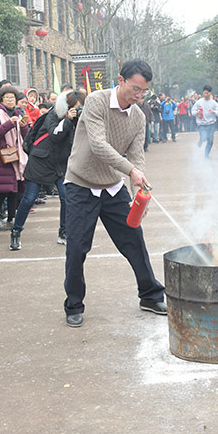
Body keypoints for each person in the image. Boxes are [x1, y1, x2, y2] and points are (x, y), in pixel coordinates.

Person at [62, 59, 166, 328]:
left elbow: (137, 157)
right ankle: (74, 304)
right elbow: (98, 145)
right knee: (76, 247)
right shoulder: (97, 101)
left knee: (134, 240)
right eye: (135, 89)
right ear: (120, 80)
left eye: (144, 91)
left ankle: (150, 295)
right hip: (80, 184)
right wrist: (130, 170)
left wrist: (138, 195)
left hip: (112, 187)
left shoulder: (139, 116)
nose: (139, 96)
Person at [10, 90, 81, 249]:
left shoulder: (77, 119)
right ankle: (16, 232)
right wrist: (68, 120)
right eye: (74, 108)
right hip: (40, 161)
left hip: (60, 163)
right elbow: (56, 135)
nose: (77, 110)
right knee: (29, 198)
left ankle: (64, 232)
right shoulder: (53, 115)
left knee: (66, 197)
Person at [0, 86, 29, 229]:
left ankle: (11, 219)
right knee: (3, 190)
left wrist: (23, 126)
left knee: (15, 188)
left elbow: (25, 136)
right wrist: (10, 123)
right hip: (1, 156)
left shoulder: (18, 113)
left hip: (16, 155)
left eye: (12, 98)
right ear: (1, 99)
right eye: (7, 98)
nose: (10, 100)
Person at [191, 85, 218, 158]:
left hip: (211, 124)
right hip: (202, 124)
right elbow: (193, 111)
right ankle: (198, 147)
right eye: (204, 93)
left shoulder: (214, 103)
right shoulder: (199, 102)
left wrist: (213, 112)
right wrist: (197, 113)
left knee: (210, 141)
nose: (205, 95)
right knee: (203, 137)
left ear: (210, 93)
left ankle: (206, 155)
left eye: (207, 93)